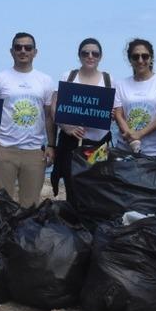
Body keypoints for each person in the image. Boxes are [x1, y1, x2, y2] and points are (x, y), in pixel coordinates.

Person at [0, 32, 55, 208]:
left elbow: (48, 117)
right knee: (0, 205)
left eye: (28, 47)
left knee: (30, 207)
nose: (23, 51)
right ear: (12, 51)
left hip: (34, 152)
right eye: (18, 47)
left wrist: (52, 145)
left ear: (35, 52)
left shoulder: (45, 80)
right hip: (4, 149)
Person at [50, 38, 113, 200]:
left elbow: (114, 110)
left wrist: (110, 115)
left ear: (100, 57)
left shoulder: (108, 80)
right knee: (72, 184)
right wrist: (67, 128)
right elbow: (55, 107)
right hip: (71, 144)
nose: (90, 56)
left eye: (95, 53)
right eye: (85, 53)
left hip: (98, 145)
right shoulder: (69, 76)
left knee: (96, 186)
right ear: (79, 56)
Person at [113, 38, 156, 158]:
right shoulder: (120, 84)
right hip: (124, 150)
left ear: (151, 58)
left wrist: (140, 134)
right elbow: (118, 114)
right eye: (135, 57)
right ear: (130, 60)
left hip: (154, 152)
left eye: (145, 56)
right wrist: (130, 136)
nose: (140, 60)